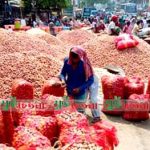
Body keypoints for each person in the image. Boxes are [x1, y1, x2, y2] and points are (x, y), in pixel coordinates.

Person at [58, 46, 101, 122]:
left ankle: (96, 116)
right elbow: (62, 73)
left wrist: (80, 88)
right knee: (70, 109)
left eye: (76, 58)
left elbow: (91, 80)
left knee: (90, 101)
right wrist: (63, 80)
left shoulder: (85, 65)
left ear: (80, 56)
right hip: (70, 88)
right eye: (72, 57)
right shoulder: (67, 61)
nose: (73, 60)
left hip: (84, 86)